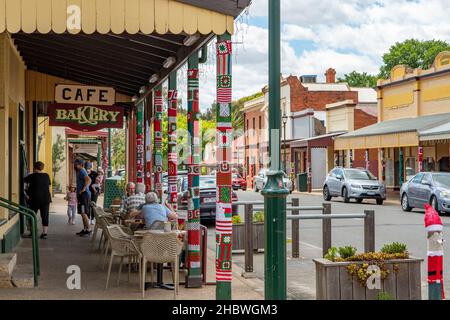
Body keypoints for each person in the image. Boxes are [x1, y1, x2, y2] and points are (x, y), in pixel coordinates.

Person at [24, 161, 52, 239]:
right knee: (45, 215)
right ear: (42, 168)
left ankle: (32, 232)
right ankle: (44, 233)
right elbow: (48, 184)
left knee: (31, 215)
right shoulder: (46, 175)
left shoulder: (32, 176)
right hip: (46, 199)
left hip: (34, 199)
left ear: (34, 167)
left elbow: (24, 180)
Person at [74, 159, 92, 237]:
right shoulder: (80, 171)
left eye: (76, 164)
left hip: (84, 195)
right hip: (82, 195)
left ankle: (88, 230)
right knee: (82, 212)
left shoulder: (82, 171)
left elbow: (89, 180)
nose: (75, 165)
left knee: (84, 212)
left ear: (81, 164)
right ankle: (85, 229)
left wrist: (83, 189)